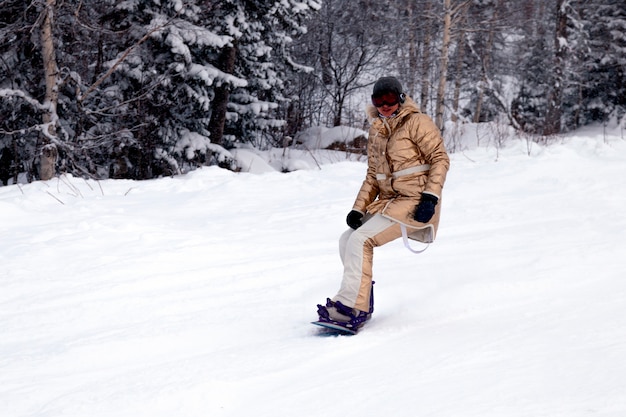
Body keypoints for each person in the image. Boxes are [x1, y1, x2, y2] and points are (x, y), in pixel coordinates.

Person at [316, 76, 450, 331]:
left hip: (415, 200)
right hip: (389, 202)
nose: (384, 105)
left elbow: (440, 159)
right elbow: (373, 175)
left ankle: (350, 307)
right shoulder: (377, 130)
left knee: (361, 240)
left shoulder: (417, 122)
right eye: (379, 100)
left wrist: (430, 198)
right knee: (347, 238)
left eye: (389, 99)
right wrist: (358, 208)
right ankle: (361, 300)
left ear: (400, 98)